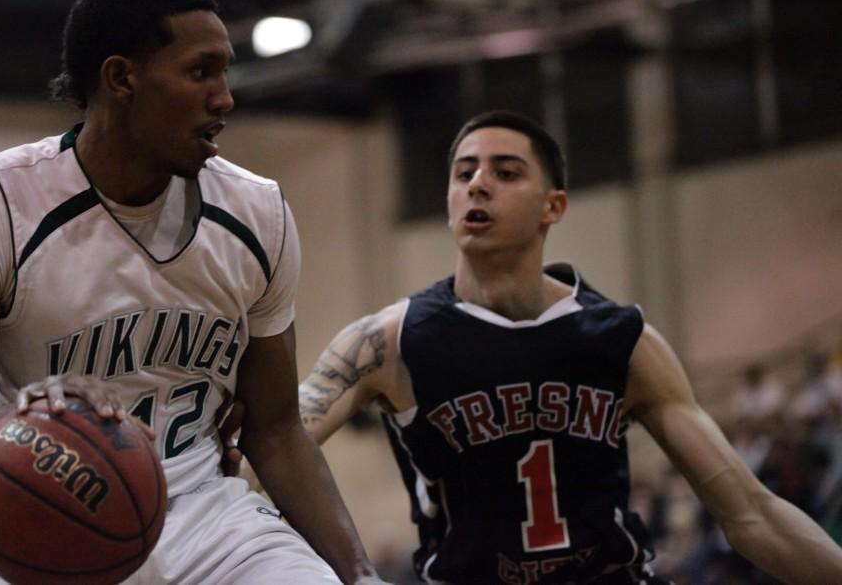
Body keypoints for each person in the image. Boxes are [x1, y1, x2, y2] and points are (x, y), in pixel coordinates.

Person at [0, 0, 386, 585]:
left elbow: (274, 428)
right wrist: (25, 420)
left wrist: (360, 573)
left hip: (201, 515)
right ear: (121, 79)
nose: (225, 97)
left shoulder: (258, 211)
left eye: (225, 72)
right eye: (201, 72)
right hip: (26, 508)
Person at [282, 110, 842, 583]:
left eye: (506, 172)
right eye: (464, 172)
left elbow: (751, 515)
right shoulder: (389, 340)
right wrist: (353, 570)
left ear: (554, 206)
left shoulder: (624, 341)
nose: (478, 184)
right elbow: (274, 444)